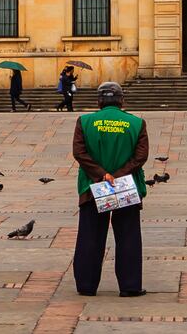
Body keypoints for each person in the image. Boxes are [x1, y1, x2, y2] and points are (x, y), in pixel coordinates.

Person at [72, 81, 147, 298]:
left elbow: (79, 152)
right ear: (121, 100)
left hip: (92, 186)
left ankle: (86, 285)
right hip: (125, 188)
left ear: (99, 101)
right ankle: (130, 285)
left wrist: (102, 174)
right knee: (128, 236)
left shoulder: (85, 122)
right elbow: (140, 157)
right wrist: (119, 174)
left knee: (90, 236)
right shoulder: (136, 123)